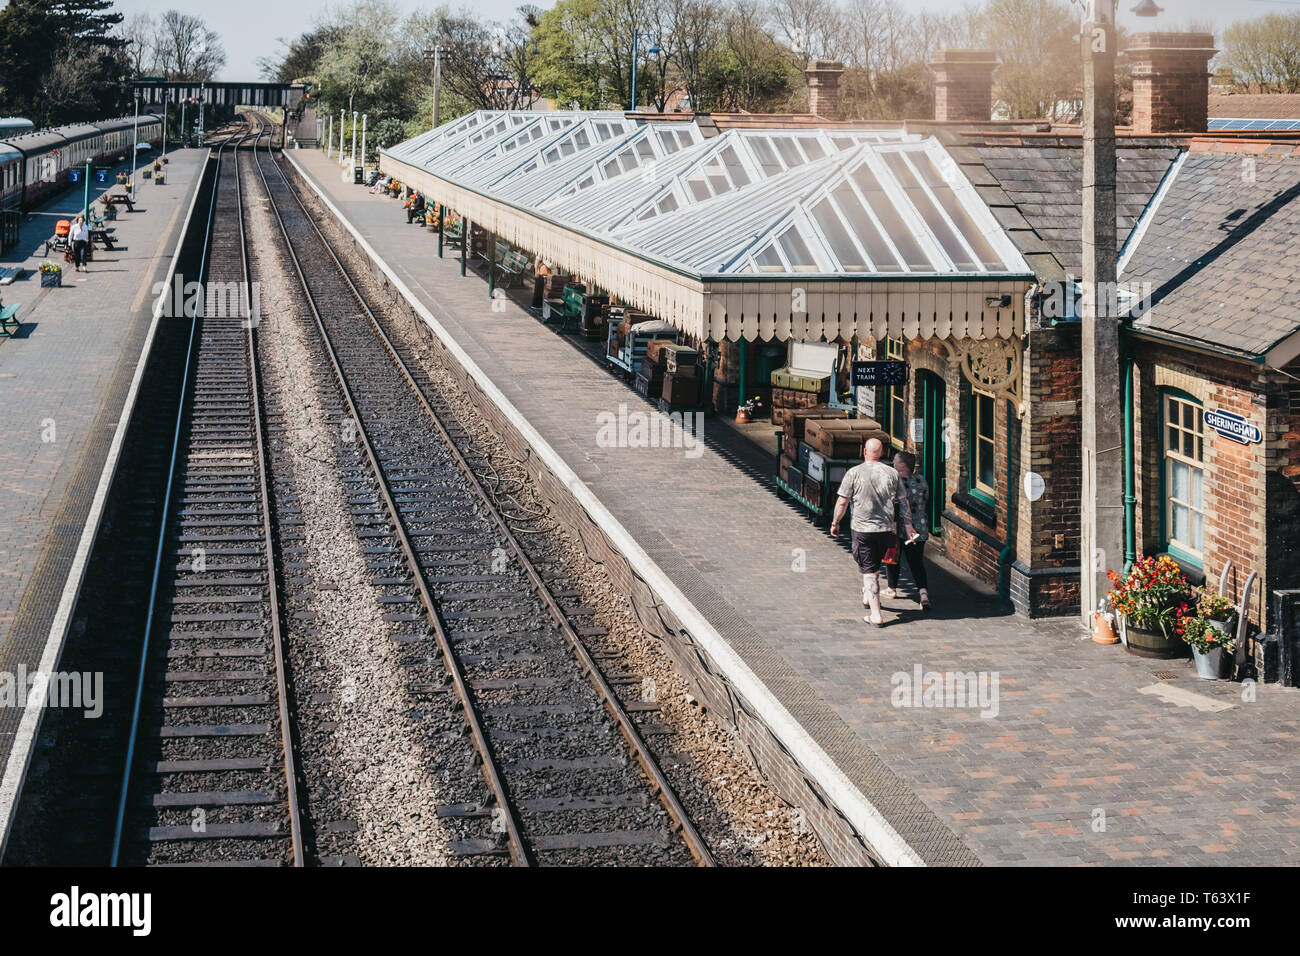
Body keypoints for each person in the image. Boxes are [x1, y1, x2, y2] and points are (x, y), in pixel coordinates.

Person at [831, 437, 916, 627]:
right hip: (885, 530)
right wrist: (909, 527)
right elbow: (904, 502)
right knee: (874, 567)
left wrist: (835, 522)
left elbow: (842, 502)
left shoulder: (854, 473)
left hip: (862, 530)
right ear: (883, 453)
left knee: (869, 572)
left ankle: (876, 615)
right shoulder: (892, 473)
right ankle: (869, 597)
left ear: (864, 452)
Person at [885, 451, 931, 609]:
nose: (893, 462)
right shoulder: (921, 480)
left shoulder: (895, 483)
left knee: (893, 559)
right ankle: (923, 594)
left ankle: (892, 589)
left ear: (902, 465)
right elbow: (925, 499)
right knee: (917, 563)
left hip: (900, 528)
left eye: (895, 461)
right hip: (920, 528)